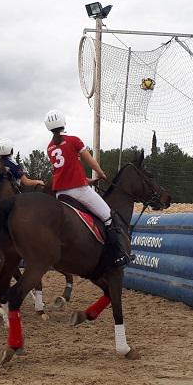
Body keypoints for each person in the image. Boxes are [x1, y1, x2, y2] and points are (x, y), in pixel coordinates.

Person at [44, 109, 131, 267]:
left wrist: (89, 180)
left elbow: (64, 172)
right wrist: (100, 172)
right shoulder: (74, 140)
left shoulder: (49, 148)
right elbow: (90, 160)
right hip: (79, 191)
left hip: (61, 194)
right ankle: (118, 255)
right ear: (64, 123)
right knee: (108, 216)